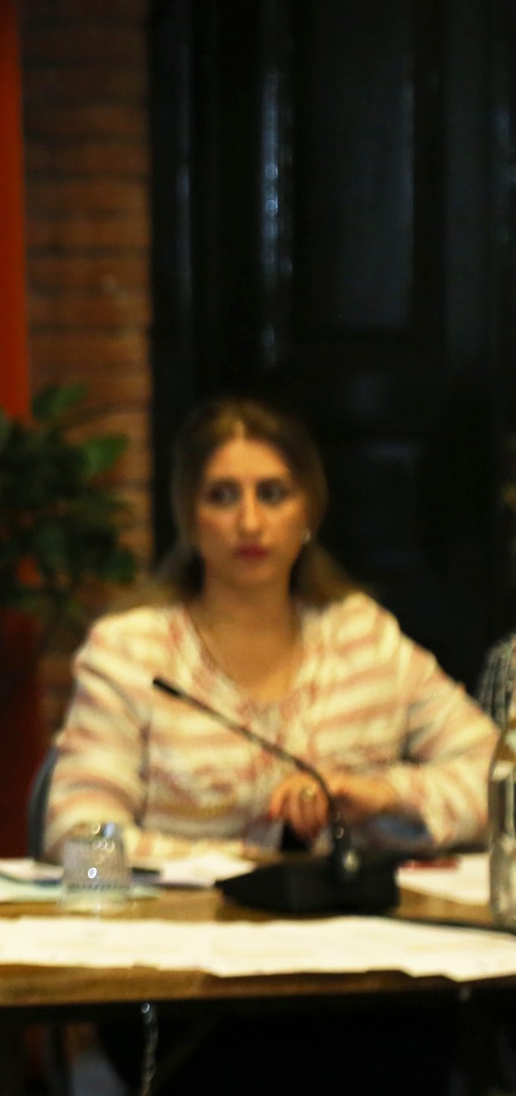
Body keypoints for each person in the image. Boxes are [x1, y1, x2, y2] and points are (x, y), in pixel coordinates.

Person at [45, 396, 496, 1095]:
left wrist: (383, 795)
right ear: (188, 514)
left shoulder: (362, 637)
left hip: (357, 979)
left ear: (309, 508)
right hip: (185, 987)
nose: (250, 522)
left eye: (273, 494)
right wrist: (239, 869)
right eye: (222, 496)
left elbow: (500, 778)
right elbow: (77, 842)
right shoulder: (131, 651)